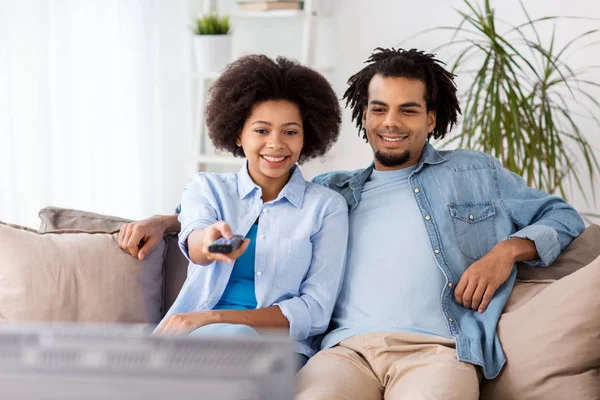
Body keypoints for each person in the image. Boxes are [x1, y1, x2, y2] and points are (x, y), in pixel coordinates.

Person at [120, 47, 585, 399]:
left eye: (408, 109)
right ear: (364, 114)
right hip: (345, 352)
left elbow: (563, 216)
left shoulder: (475, 173)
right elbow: (261, 206)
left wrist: (506, 253)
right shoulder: (334, 191)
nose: (391, 123)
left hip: (437, 350)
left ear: (432, 117)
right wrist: (169, 221)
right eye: (379, 108)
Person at [119, 54, 349, 367]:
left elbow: (315, 311)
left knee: (238, 342)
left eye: (290, 132)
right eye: (262, 130)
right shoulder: (207, 188)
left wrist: (211, 317)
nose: (276, 144)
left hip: (278, 351)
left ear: (306, 136)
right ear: (239, 134)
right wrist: (211, 243)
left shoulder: (325, 207)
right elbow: (196, 237)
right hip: (196, 341)